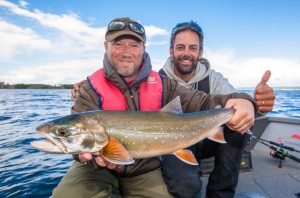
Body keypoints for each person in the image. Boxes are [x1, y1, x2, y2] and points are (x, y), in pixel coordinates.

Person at [57, 17, 257, 198]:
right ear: (106, 46)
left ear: (143, 48)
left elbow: (203, 102)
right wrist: (86, 157)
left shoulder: (165, 84)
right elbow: (75, 142)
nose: (126, 52)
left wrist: (245, 100)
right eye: (118, 44)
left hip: (145, 169)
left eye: (133, 45)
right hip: (95, 170)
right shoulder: (88, 89)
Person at [158, 21, 275, 198]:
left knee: (238, 129)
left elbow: (236, 101)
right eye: (180, 47)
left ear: (200, 52)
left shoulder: (214, 79)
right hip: (173, 143)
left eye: (192, 48)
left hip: (209, 140)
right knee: (185, 186)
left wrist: (255, 105)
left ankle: (220, 193)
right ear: (171, 51)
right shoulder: (158, 80)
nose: (186, 53)